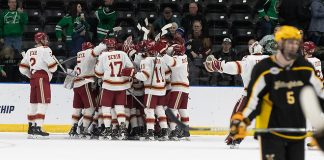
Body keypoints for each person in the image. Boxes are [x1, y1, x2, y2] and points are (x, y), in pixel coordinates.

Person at [229, 26, 324, 160]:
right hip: (270, 132)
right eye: (289, 42)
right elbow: (254, 99)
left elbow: (318, 96)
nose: (293, 46)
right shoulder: (263, 68)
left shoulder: (305, 67)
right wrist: (243, 120)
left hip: (296, 132)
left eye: (296, 42)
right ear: (279, 43)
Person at [205, 41, 269, 146]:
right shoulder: (270, 60)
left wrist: (217, 65)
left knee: (237, 115)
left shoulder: (248, 60)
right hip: (268, 95)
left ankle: (235, 137)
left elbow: (232, 67)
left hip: (250, 95)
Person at [18, 32, 58, 138]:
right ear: (41, 40)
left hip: (34, 79)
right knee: (43, 103)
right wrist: (54, 62)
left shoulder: (29, 51)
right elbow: (53, 68)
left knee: (33, 104)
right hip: (42, 78)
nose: (47, 40)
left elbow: (22, 68)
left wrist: (30, 75)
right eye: (45, 39)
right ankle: (38, 127)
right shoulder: (46, 50)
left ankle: (30, 128)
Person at [95, 38, 134, 140]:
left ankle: (108, 129)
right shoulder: (122, 54)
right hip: (121, 86)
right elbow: (130, 68)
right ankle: (122, 130)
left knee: (106, 108)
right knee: (120, 108)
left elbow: (98, 73)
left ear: (107, 46)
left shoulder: (103, 55)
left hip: (108, 85)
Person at [68, 41, 107, 138]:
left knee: (77, 108)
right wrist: (104, 44)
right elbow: (97, 50)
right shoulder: (89, 52)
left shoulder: (79, 54)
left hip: (76, 84)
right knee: (91, 107)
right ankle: (84, 128)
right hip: (85, 83)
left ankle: (73, 128)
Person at [166, 44, 190, 140]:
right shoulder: (185, 57)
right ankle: (186, 130)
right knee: (182, 110)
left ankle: (173, 130)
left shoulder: (177, 58)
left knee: (173, 109)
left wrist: (163, 53)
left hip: (178, 87)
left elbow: (171, 61)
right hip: (185, 87)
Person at [187, 20, 211, 85]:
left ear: (201, 27)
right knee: (193, 71)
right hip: (192, 60)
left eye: (198, 26)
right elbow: (187, 47)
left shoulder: (205, 38)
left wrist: (202, 54)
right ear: (192, 27)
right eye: (195, 26)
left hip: (203, 60)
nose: (196, 28)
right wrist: (192, 52)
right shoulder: (189, 36)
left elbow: (209, 49)